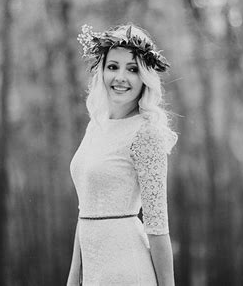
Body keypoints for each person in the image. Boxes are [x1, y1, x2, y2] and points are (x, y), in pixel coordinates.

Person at [67, 23, 177, 286]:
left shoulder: (146, 134)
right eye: (113, 66)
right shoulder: (96, 125)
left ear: (145, 77)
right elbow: (86, 211)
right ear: (101, 71)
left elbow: (157, 226)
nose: (121, 78)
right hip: (93, 274)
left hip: (127, 272)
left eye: (133, 69)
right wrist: (73, 277)